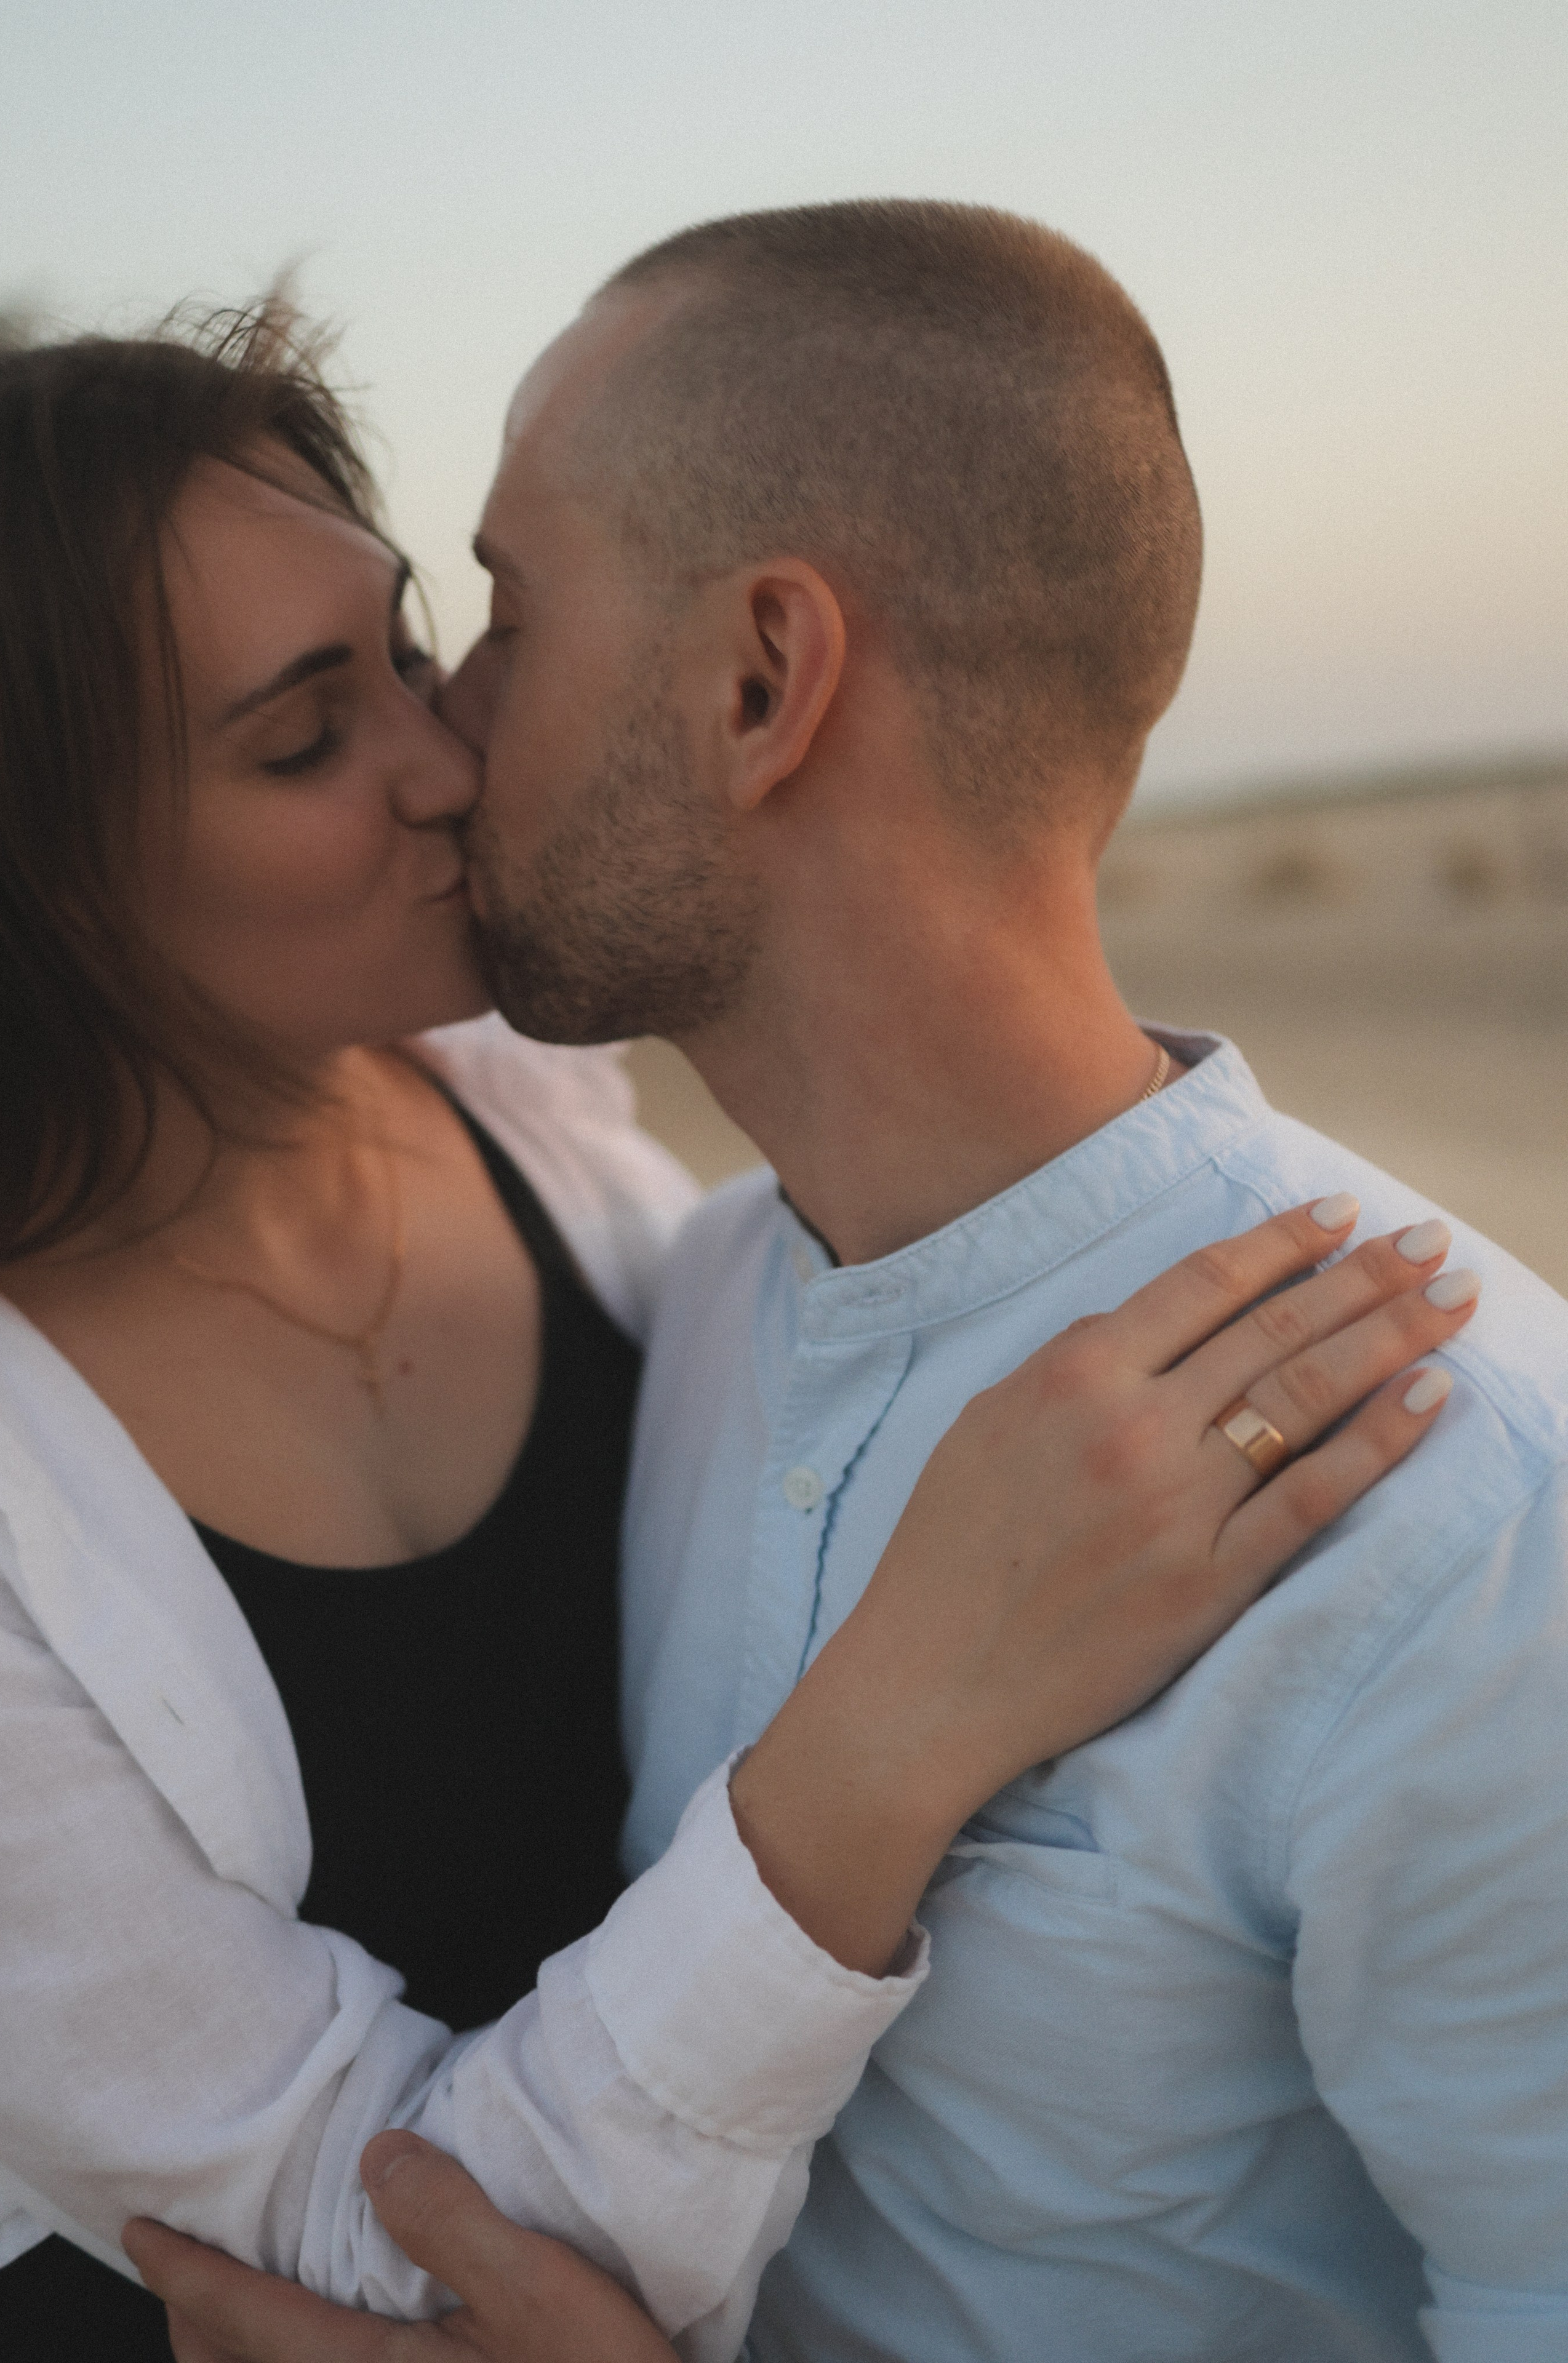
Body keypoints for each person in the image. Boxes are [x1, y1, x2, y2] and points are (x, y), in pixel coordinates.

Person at [140, 200, 1568, 2363]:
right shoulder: (687, 1301)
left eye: (508, 613)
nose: (448, 731)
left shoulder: (1461, 1509)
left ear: (759, 680)